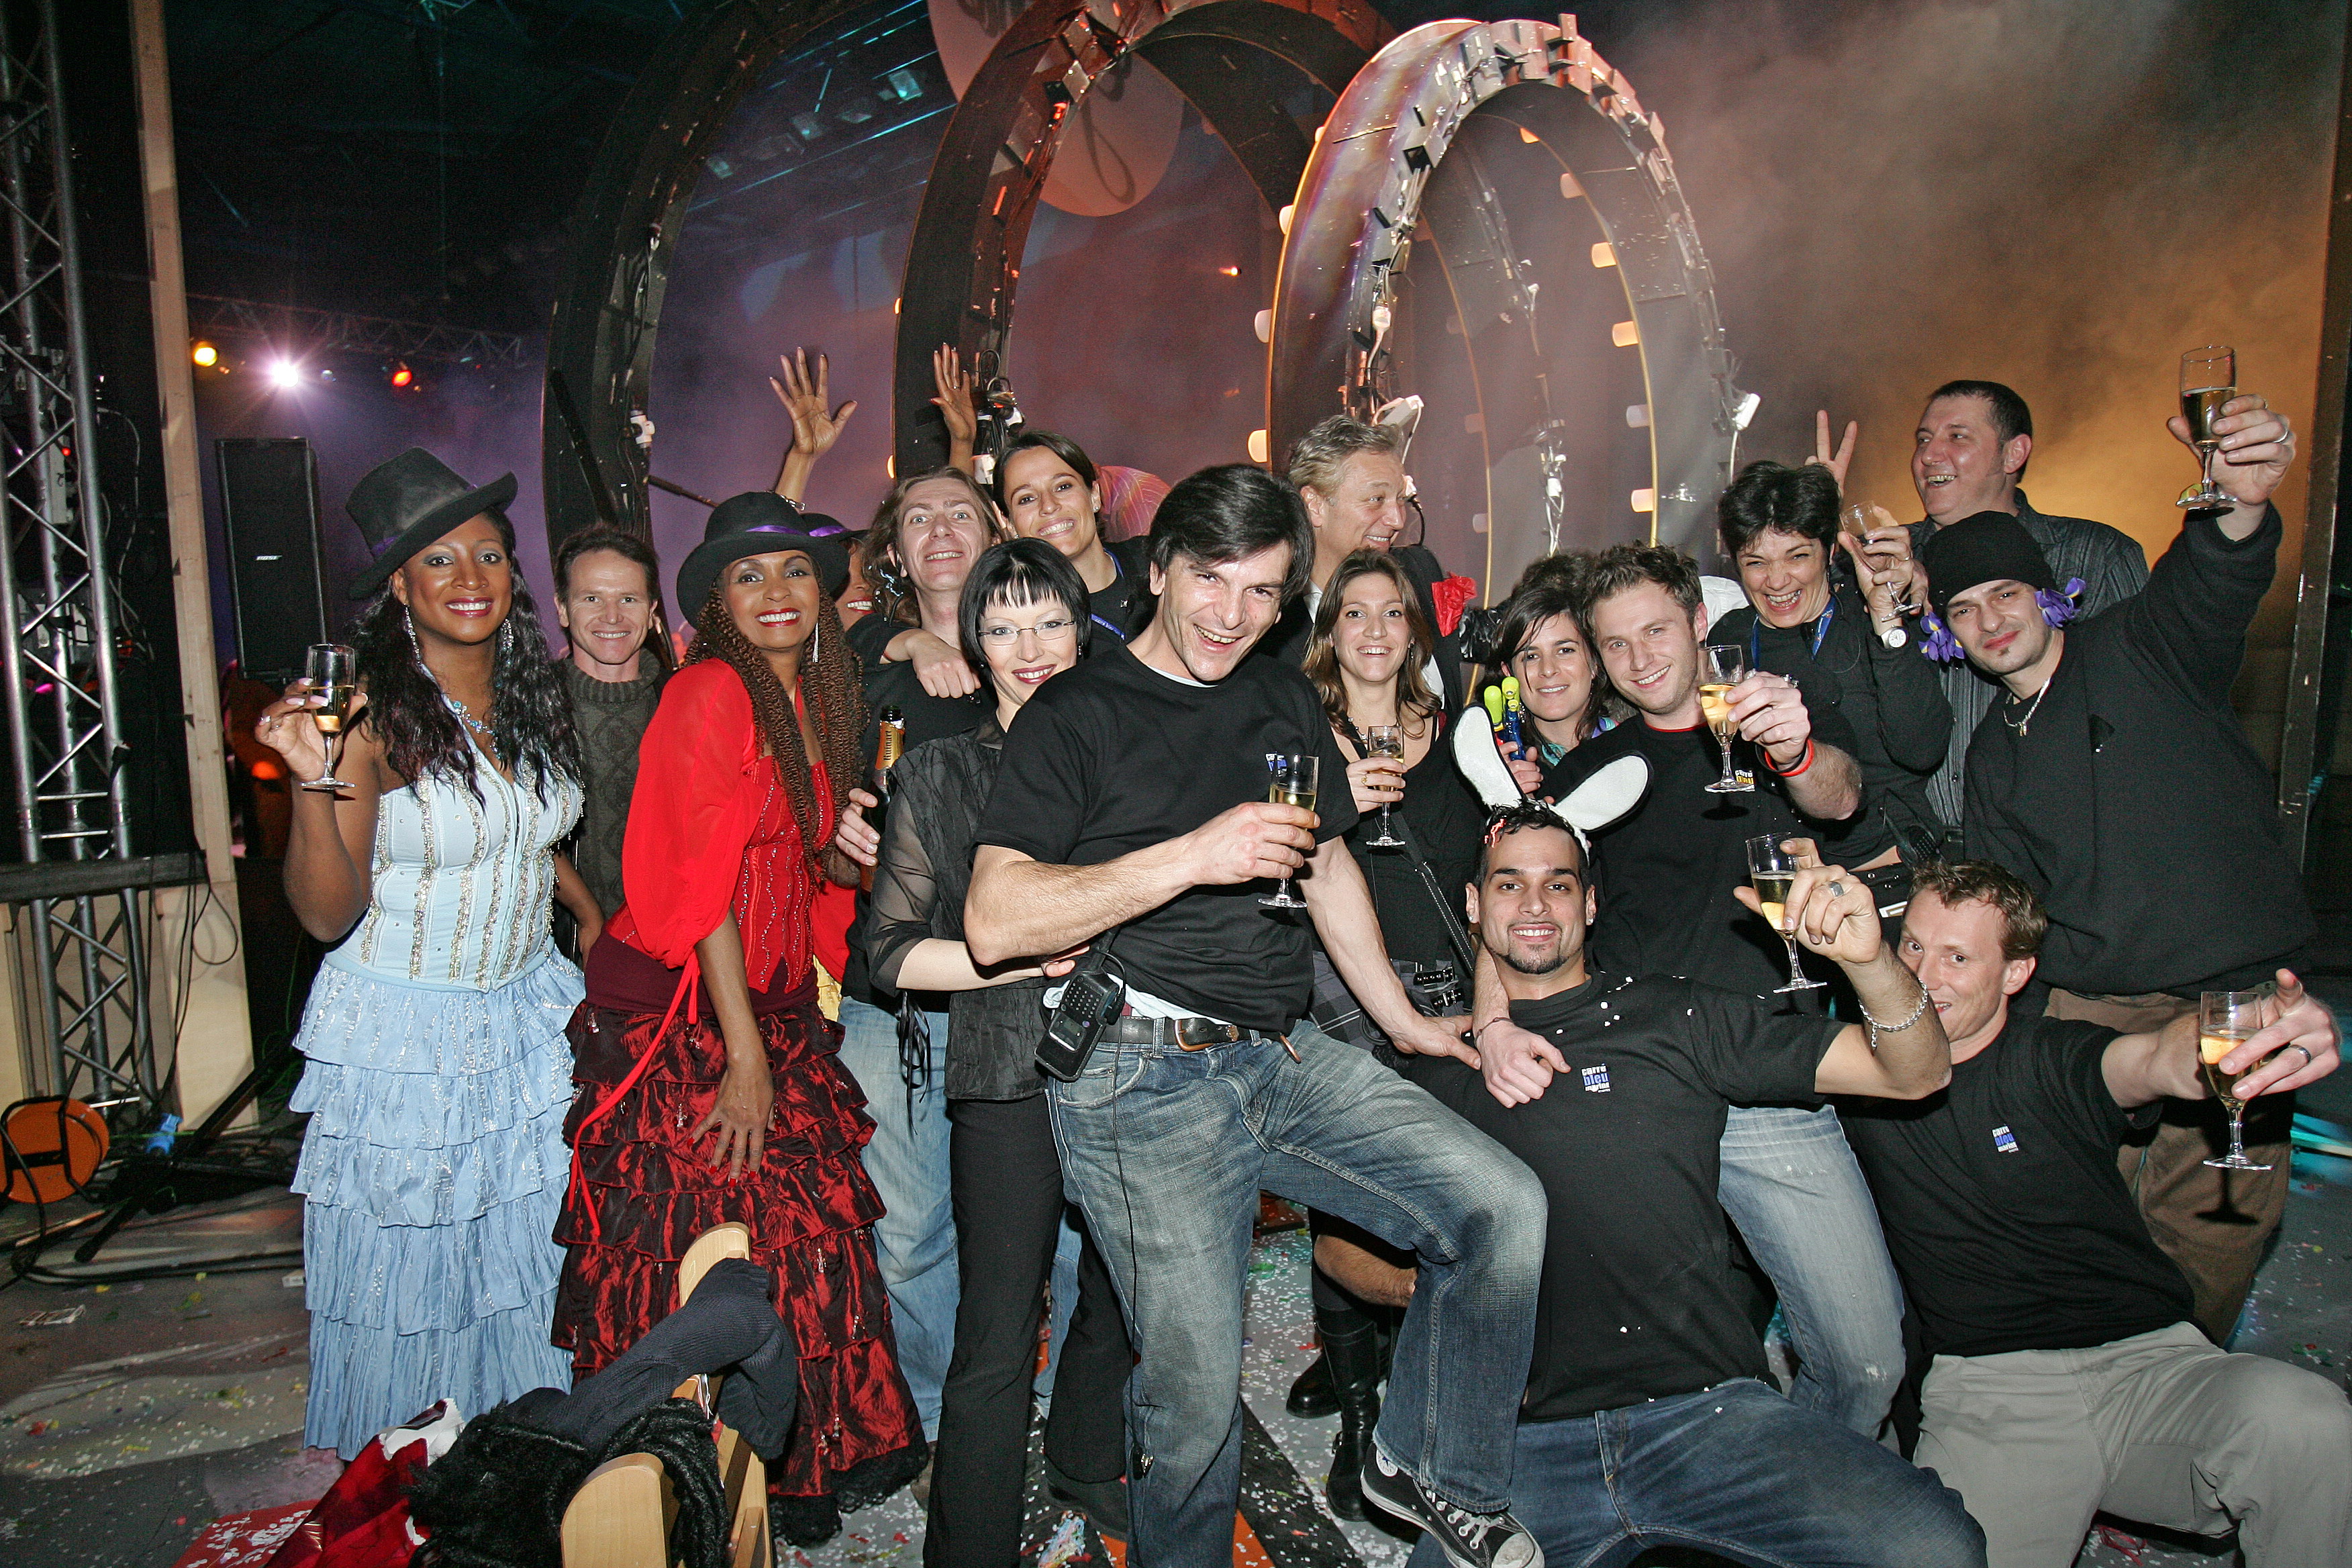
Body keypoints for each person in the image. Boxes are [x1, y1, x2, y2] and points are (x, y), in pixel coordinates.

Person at [964, 464, 1547, 1568]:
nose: (1232, 615)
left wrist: (1404, 1022)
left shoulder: (1278, 696)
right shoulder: (1075, 712)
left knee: (1502, 1208)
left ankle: (1430, 1464)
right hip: (1138, 1077)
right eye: (1211, 580)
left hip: (1281, 1053)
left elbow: (1322, 862)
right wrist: (1195, 854)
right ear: (1159, 571)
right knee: (1193, 1408)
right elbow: (995, 919)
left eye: (1262, 592)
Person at [1400, 801, 1983, 1568]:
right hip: (1523, 1449)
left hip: (1706, 1417)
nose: (1536, 904)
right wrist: (1464, 1285)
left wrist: (1870, 963)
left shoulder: (1671, 1016)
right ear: (1475, 905)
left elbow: (1917, 1074)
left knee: (1938, 1547)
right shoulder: (1438, 1071)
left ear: (1591, 904)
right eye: (1510, 885)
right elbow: (1343, 1257)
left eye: (1559, 885)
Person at [550, 505, 926, 1545]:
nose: (776, 593)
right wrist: (745, 1058)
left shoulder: (821, 698)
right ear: (717, 603)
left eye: (794, 571)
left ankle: (792, 1466)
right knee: (702, 1249)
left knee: (801, 1242)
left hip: (774, 999)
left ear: (823, 591)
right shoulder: (710, 689)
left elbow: (805, 865)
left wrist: (852, 846)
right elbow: (702, 885)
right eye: (749, 576)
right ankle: (669, 1484)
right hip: (686, 1012)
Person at [1918, 389, 2314, 1341]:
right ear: (1948, 635)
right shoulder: (1993, 753)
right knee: (2089, 1215)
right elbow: (2012, 911)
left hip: (2227, 992)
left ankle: (2181, 1385)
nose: (1990, 620)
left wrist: (2239, 499)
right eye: (1964, 609)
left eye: (2007, 594)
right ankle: (2108, 1378)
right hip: (2091, 1005)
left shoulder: (2143, 647)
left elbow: (2211, 580)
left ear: (2047, 594)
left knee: (2211, 1223)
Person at [1493, 543, 1904, 1439]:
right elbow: (1508, 910)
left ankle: (1803, 1490)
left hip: (1771, 1077)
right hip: (1640, 1089)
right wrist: (1493, 1025)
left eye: (1656, 631)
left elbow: (1840, 799)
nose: (1639, 658)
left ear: (1698, 624)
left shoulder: (1776, 716)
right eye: (1615, 643)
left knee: (1869, 1361)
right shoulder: (1591, 777)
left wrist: (1795, 750)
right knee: (1659, 1369)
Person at [1844, 861, 2349, 1567]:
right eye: (1914, 946)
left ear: (2017, 974)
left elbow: (2154, 1059)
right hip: (1992, 1396)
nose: (1925, 975)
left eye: (1958, 957)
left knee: (2308, 1419)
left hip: (2152, 1368)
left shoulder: (2055, 1057)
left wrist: (2252, 1034)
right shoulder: (1855, 1073)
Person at [258, 448, 595, 1457]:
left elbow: (521, 833)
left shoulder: (529, 695)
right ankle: (417, 1478)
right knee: (416, 1276)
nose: (469, 579)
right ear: (400, 586)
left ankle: (525, 1460)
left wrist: (591, 911)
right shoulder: (368, 717)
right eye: (439, 561)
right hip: (404, 1036)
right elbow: (326, 912)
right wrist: (312, 779)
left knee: (525, 1252)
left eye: (488, 555)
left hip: (526, 1017)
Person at [861, 539, 1134, 1565]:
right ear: (974, 647)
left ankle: (1084, 1455)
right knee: (997, 1326)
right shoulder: (940, 772)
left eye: (1050, 620)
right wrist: (1009, 957)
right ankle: (967, 1549)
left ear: (1081, 633)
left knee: (1120, 1292)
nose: (1031, 646)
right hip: (1008, 1073)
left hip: (1137, 1067)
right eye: (1004, 626)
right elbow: (890, 953)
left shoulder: (1133, 761)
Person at [1287, 548, 1487, 1518]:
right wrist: (1336, 800)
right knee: (1347, 1200)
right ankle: (1361, 1414)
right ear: (1330, 631)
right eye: (1354, 612)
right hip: (1338, 988)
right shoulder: (1297, 732)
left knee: (1434, 1195)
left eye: (1393, 613)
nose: (1374, 630)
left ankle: (1411, 1398)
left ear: (1416, 631)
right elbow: (1289, 868)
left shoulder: (1458, 731)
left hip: (1444, 987)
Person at [828, 466, 1008, 1449]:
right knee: (905, 1235)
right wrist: (838, 833)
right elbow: (826, 820)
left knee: (1059, 1225)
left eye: (960, 512)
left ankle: (1059, 1415)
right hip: (895, 999)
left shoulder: (1042, 652)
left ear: (995, 532)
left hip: (1028, 993)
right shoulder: (860, 672)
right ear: (894, 549)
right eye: (918, 517)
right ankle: (940, 1426)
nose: (940, 530)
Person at [1828, 385, 2151, 831]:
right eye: (1923, 440)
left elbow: (2147, 704)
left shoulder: (2094, 555)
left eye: (1957, 437)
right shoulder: (1883, 561)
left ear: (2013, 453)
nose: (1929, 455)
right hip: (1925, 852)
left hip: (2061, 842)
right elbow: (1798, 626)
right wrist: (1812, 525)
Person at [1710, 459, 1950, 859]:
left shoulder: (1868, 613)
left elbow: (1921, 750)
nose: (1777, 580)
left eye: (1797, 556)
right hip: (1780, 872)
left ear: (1830, 551)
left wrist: (1888, 623)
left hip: (1889, 869)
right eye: (1756, 562)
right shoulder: (1730, 638)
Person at [1265, 415, 1470, 710]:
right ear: (1315, 505)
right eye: (1376, 499)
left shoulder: (1419, 571)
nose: (1398, 520)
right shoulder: (1272, 619)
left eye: (1401, 499)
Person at [552, 524, 669, 930]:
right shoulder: (529, 706)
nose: (612, 616)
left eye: (629, 599)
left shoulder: (684, 703)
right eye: (591, 599)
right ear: (562, 609)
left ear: (652, 611)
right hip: (561, 943)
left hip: (669, 940)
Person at [993, 430, 1151, 640]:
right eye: (1027, 499)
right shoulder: (1021, 628)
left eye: (1063, 487)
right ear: (1007, 521)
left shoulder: (1158, 562)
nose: (1049, 506)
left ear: (1094, 495)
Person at [1485, 557, 1618, 795]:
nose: (1548, 669)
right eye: (1531, 656)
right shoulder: (1488, 760)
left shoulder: (1636, 748)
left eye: (1565, 651)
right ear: (1508, 673)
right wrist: (1502, 801)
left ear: (1595, 662)